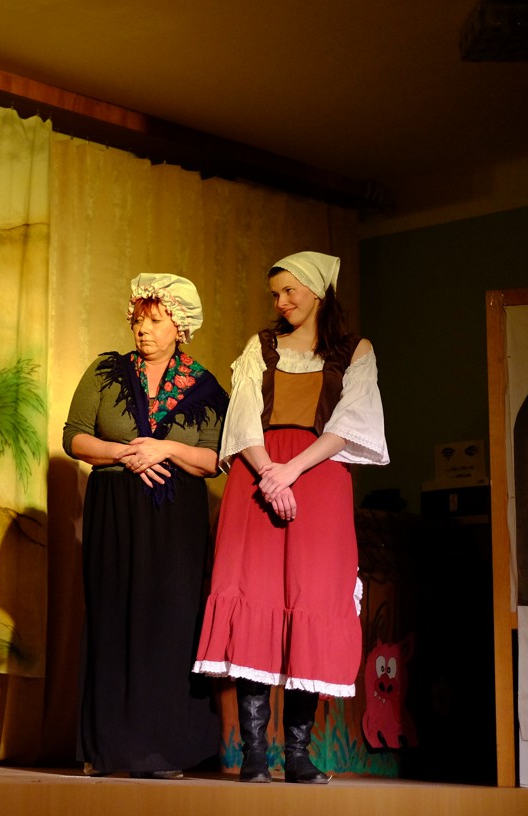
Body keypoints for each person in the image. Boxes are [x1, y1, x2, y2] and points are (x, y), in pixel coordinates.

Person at [191, 251, 388, 784]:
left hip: (318, 480)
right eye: (275, 293)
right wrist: (268, 475)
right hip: (256, 479)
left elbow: (350, 424)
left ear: (317, 291)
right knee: (255, 596)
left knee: (313, 600)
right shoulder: (261, 347)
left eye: (289, 291)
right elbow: (242, 420)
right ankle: (256, 752)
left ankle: (297, 753)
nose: (281, 302)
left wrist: (291, 471)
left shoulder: (356, 351)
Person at [63, 273, 229, 779]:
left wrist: (166, 448)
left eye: (156, 321)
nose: (143, 330)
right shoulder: (105, 372)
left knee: (170, 624)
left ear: (180, 326)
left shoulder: (204, 387)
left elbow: (215, 459)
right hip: (114, 513)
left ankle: (165, 751)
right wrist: (125, 453)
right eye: (139, 320)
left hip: (175, 522)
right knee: (112, 619)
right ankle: (108, 748)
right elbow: (74, 437)